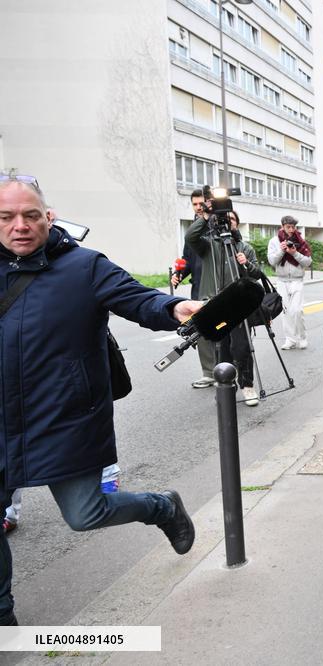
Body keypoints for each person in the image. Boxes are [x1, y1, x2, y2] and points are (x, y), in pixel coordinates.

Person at [0, 175, 203, 625]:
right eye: (6, 217)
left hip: (63, 417)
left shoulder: (84, 266)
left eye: (30, 215)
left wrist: (173, 308)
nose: (20, 226)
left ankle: (162, 507)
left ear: (47, 217)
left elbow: (138, 299)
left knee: (84, 515)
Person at [185, 195, 260, 402]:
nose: (228, 222)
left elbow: (256, 275)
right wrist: (206, 215)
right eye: (224, 219)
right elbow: (190, 237)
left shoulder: (245, 248)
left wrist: (246, 264)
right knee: (221, 347)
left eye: (232, 220)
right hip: (216, 303)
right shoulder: (208, 245)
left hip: (240, 305)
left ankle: (247, 385)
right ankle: (226, 387)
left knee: (242, 347)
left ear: (236, 224)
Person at [175, 190, 213, 389]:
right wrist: (179, 274)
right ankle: (209, 373)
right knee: (202, 330)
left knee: (223, 328)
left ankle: (228, 369)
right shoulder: (192, 231)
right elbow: (187, 260)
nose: (198, 207)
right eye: (195, 204)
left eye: (201, 203)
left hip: (216, 287)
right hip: (198, 288)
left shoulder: (216, 225)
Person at [267, 215, 312, 350]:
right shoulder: (274, 241)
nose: (291, 230)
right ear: (282, 227)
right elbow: (272, 261)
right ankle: (290, 339)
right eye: (288, 227)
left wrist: (294, 253)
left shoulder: (301, 242)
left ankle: (302, 337)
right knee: (286, 312)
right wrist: (281, 250)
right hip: (282, 280)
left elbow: (308, 262)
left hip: (297, 280)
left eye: (293, 227)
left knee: (296, 311)